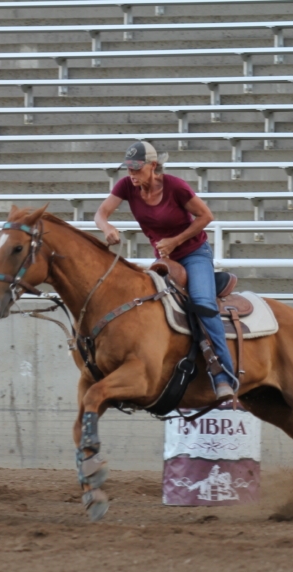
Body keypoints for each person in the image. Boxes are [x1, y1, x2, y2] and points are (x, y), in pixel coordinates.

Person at [94, 141, 237, 400]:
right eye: (128, 168)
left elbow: (206, 217)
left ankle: (224, 375)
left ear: (153, 166)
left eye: (137, 168)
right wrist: (107, 228)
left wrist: (175, 241)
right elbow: (101, 213)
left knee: (202, 302)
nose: (131, 174)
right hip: (164, 258)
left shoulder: (175, 186)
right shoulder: (126, 186)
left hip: (193, 253)